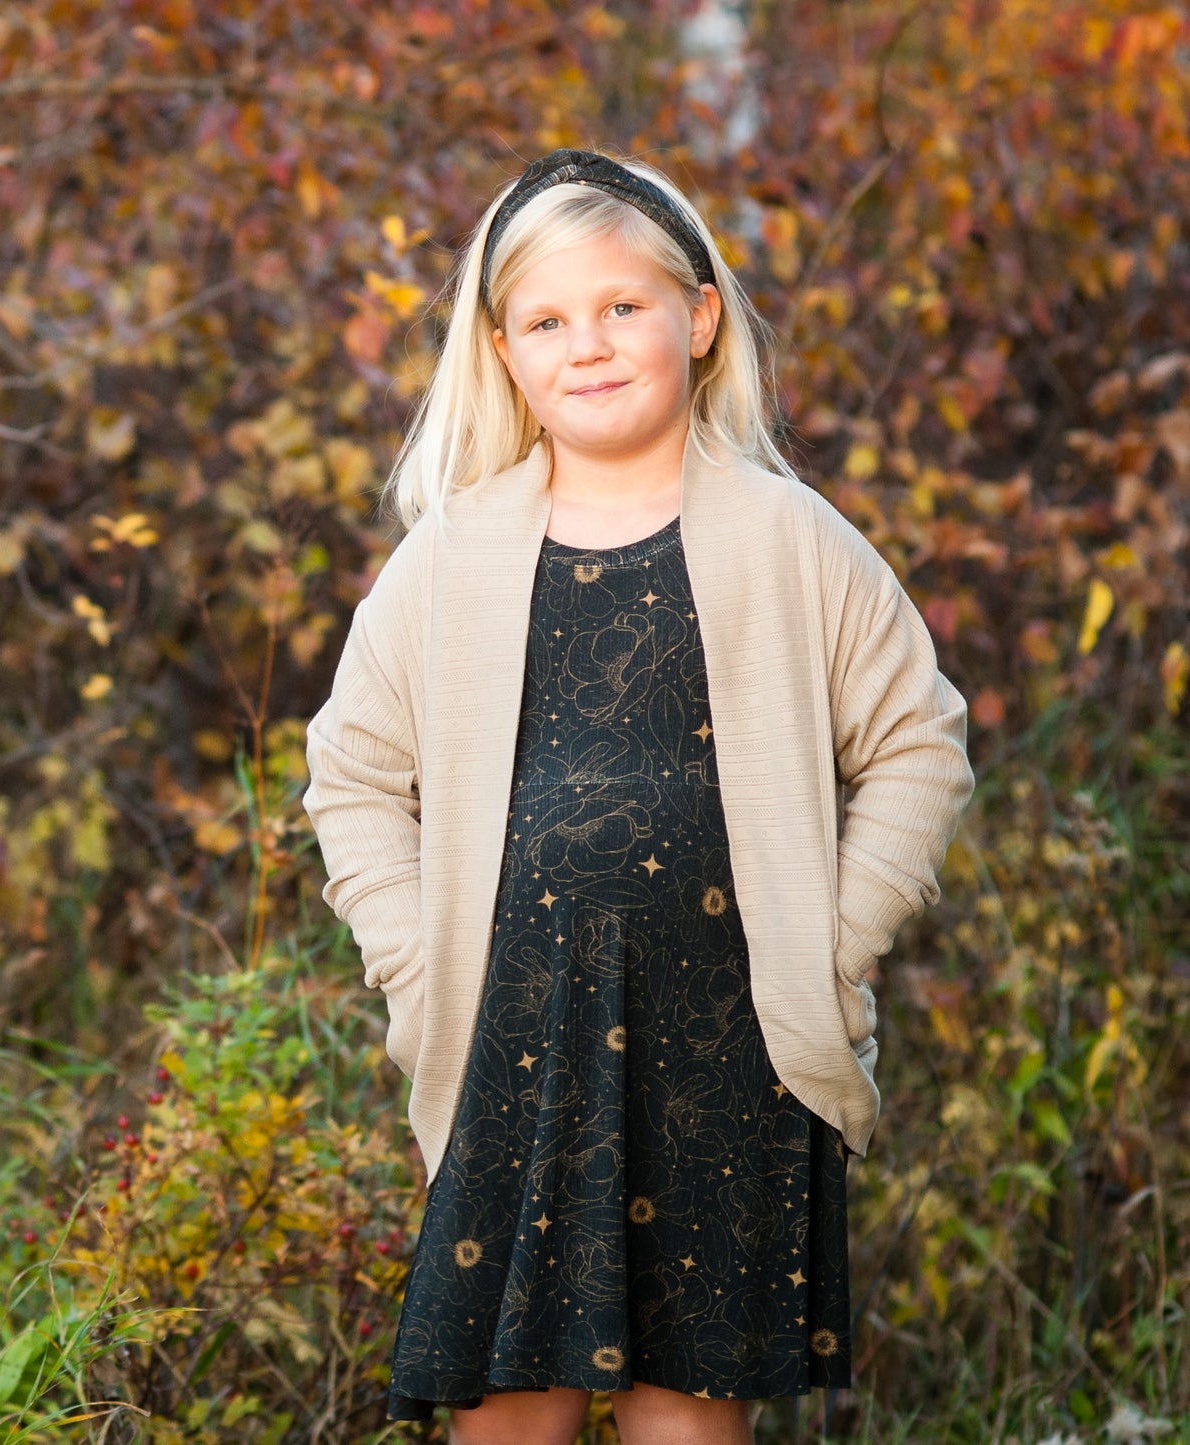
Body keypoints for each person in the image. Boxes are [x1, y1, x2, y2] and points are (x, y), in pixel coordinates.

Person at [302, 148, 974, 1445]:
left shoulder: (789, 539)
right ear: (502, 353)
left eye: (621, 307)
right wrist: (413, 964)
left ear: (698, 317)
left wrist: (832, 947)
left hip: (730, 1035)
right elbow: (351, 772)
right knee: (508, 1406)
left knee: (685, 1406)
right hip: (510, 1038)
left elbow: (914, 740)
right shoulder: (452, 557)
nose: (589, 345)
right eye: (548, 321)